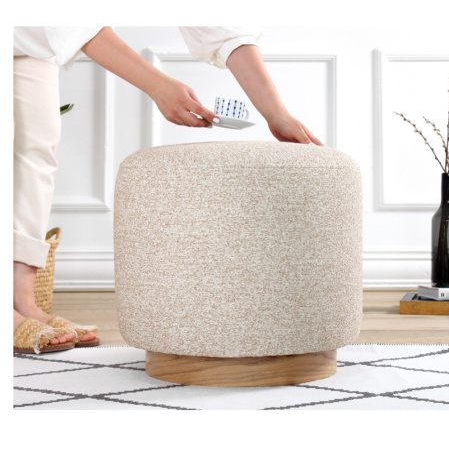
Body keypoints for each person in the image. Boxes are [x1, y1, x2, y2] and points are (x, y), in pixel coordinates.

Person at [13, 26, 323, 354]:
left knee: (36, 153)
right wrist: (158, 86)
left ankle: (23, 301)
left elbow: (220, 25)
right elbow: (75, 20)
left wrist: (276, 113)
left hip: (31, 43)